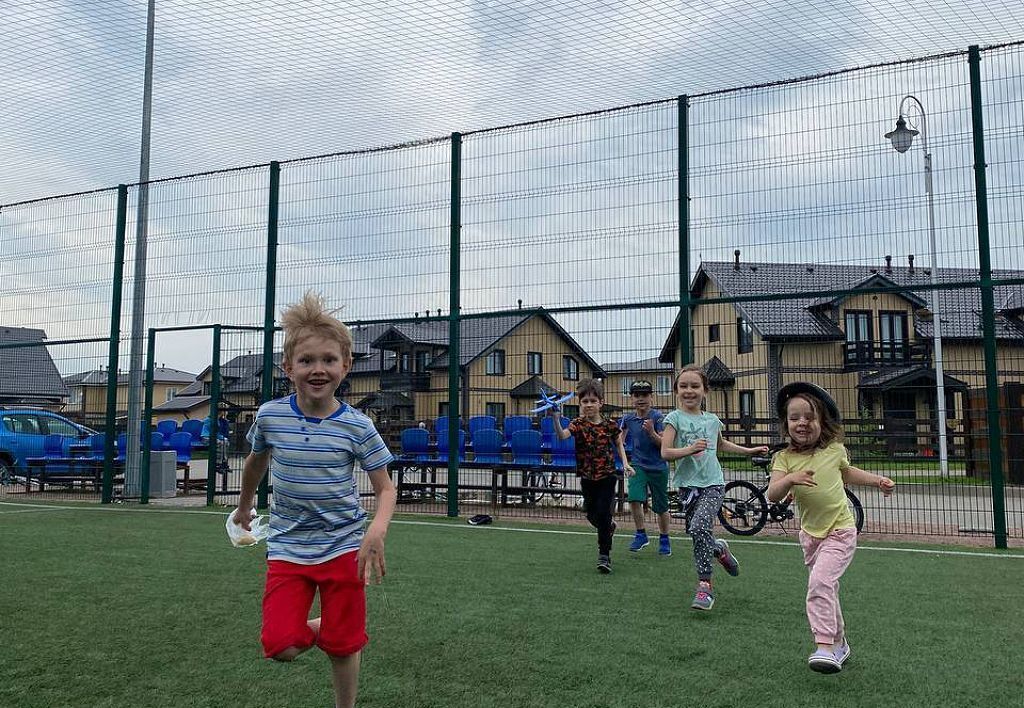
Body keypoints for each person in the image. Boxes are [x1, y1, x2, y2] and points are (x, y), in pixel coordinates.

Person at [232, 291, 397, 708]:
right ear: (288, 368)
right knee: (281, 645)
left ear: (346, 365)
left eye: (328, 360)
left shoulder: (358, 426)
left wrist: (376, 530)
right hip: (288, 547)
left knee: (344, 649)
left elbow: (385, 488)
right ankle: (334, 626)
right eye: (307, 361)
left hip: (344, 546)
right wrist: (245, 504)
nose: (318, 369)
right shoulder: (270, 415)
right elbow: (254, 463)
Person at [767, 381, 894, 674]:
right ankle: (840, 644)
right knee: (828, 588)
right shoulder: (784, 458)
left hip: (840, 531)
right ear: (786, 424)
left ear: (823, 421)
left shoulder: (835, 450)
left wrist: (878, 480)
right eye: (794, 417)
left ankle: (824, 646)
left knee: (820, 584)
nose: (802, 423)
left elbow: (848, 472)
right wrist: (789, 479)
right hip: (810, 537)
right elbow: (772, 493)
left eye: (809, 417)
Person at [661, 364, 768, 610]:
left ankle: (704, 586)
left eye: (695, 386)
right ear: (677, 390)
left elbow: (720, 445)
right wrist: (689, 449)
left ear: (705, 391)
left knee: (699, 527)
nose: (689, 391)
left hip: (713, 484)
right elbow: (666, 452)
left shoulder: (712, 420)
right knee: (697, 532)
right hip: (687, 487)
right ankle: (719, 549)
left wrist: (748, 450)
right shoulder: (673, 419)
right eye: (684, 386)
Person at [552, 378, 633, 574]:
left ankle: (604, 555)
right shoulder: (577, 424)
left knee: (604, 513)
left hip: (607, 476)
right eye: (585, 401)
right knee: (591, 514)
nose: (589, 405)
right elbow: (562, 436)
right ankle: (609, 527)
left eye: (592, 401)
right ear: (580, 404)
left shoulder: (609, 425)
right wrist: (555, 417)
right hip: (587, 477)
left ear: (600, 403)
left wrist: (625, 463)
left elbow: (618, 443)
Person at [618, 379, 672, 556]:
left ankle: (664, 538)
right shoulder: (628, 419)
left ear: (651, 397)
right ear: (631, 398)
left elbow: (663, 444)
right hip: (638, 465)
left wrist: (651, 432)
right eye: (636, 395)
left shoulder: (658, 417)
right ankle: (641, 534)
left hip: (658, 467)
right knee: (634, 497)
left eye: (644, 395)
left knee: (661, 506)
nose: (640, 399)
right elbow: (619, 439)